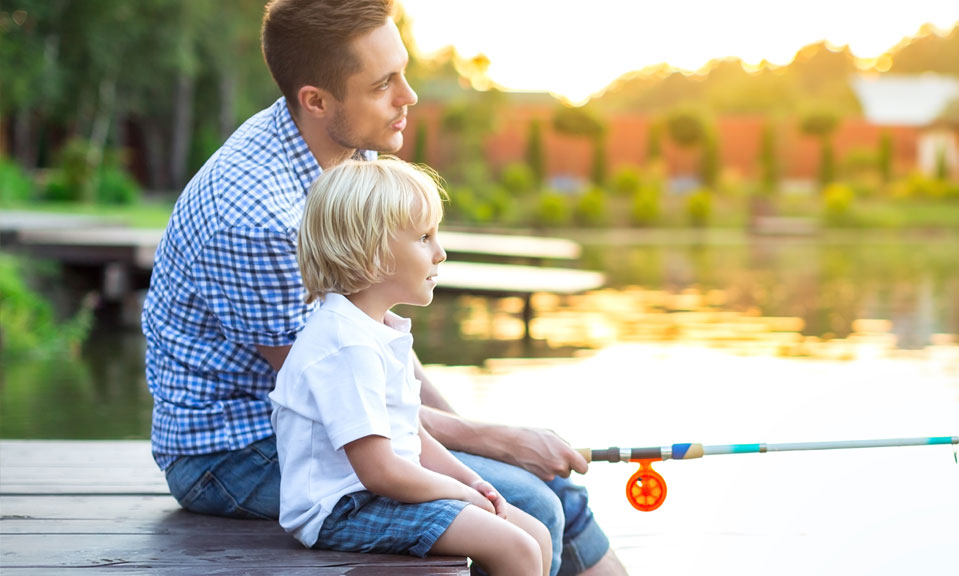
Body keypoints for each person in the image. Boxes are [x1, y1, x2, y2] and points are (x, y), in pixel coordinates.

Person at [140, 1, 624, 574]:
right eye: (384, 84)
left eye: (404, 71)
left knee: (549, 489)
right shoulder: (258, 220)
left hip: (337, 421)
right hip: (234, 451)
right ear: (316, 99)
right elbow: (342, 395)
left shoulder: (348, 147)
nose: (409, 96)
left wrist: (479, 440)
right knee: (527, 501)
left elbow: (380, 357)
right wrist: (489, 441)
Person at [271, 158, 549, 575]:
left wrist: (470, 481)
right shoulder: (345, 345)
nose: (441, 252)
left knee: (535, 535)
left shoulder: (377, 330)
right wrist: (459, 494)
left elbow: (411, 435)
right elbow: (379, 470)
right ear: (371, 254)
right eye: (424, 237)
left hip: (379, 492)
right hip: (343, 508)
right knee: (517, 549)